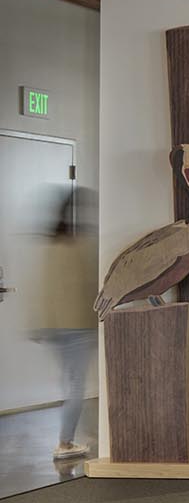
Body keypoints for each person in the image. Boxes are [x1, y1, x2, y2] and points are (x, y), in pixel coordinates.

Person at [34, 188, 96, 461]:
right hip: (78, 327)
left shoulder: (51, 244)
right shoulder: (81, 243)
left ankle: (70, 436)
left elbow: (44, 288)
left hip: (56, 328)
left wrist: (41, 326)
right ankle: (65, 443)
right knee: (75, 387)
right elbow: (90, 286)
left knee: (70, 383)